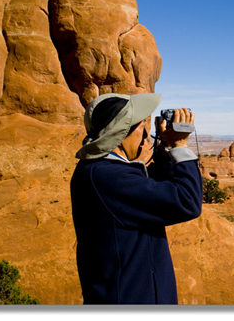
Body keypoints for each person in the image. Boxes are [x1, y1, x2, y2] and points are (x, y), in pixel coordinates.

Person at [70, 92, 202, 305]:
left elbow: (153, 191)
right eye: (142, 127)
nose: (146, 136)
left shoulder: (102, 171)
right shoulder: (108, 177)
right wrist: (180, 148)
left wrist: (164, 147)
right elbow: (187, 201)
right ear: (122, 133)